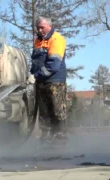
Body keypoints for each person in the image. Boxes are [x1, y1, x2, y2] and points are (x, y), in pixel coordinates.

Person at [30, 16, 68, 144]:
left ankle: (60, 138)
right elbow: (36, 62)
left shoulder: (57, 39)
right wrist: (31, 74)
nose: (40, 30)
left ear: (50, 26)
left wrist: (36, 75)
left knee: (57, 111)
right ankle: (46, 139)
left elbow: (53, 65)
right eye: (38, 28)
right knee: (44, 112)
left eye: (42, 27)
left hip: (55, 81)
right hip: (41, 81)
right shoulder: (38, 41)